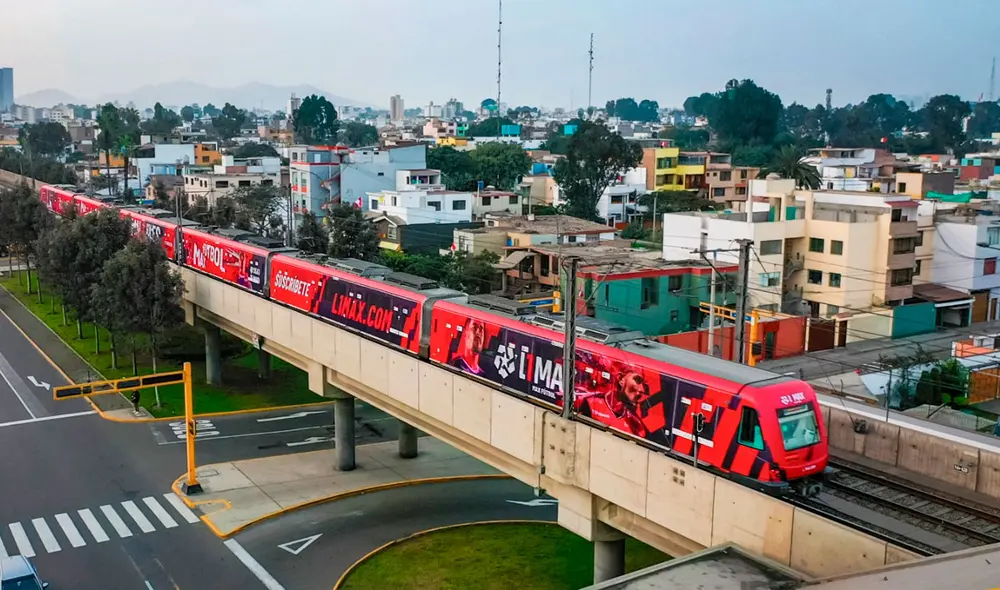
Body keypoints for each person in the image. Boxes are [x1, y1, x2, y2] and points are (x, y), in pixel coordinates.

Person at [578, 368, 650, 437]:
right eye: (637, 380)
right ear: (621, 379)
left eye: (643, 384)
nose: (642, 389)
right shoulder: (592, 404)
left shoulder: (636, 425)